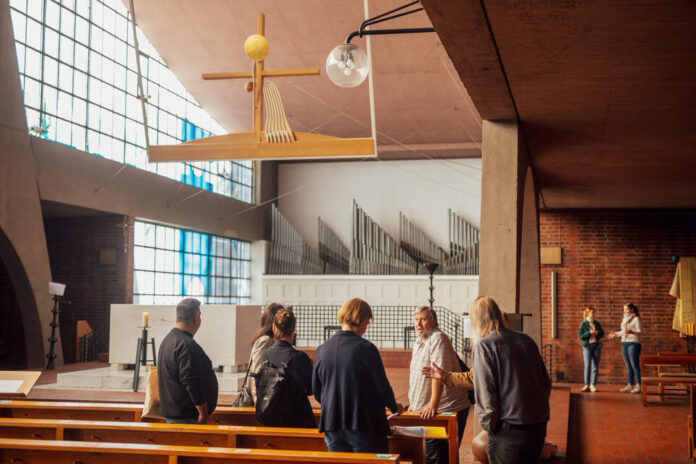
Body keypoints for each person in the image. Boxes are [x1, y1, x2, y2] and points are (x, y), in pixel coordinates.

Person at [312, 298, 402, 453]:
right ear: (359, 319)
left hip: (332, 423)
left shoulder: (323, 349)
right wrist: (394, 406)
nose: (367, 327)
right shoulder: (366, 349)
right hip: (362, 422)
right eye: (367, 322)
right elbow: (381, 386)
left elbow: (317, 390)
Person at [471, 296, 550, 464]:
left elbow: (486, 396)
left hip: (509, 431)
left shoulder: (484, 346)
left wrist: (491, 429)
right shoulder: (526, 339)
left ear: (476, 320)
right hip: (537, 426)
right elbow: (545, 382)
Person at [408, 306, 470, 464]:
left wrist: (433, 405)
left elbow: (438, 374)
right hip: (423, 410)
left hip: (443, 409)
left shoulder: (438, 338)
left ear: (434, 321)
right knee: (430, 456)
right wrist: (413, 405)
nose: (418, 323)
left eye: (423, 319)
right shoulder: (419, 341)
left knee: (437, 458)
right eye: (416, 319)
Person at [158, 298, 218, 424]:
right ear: (196, 318)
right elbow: (191, 381)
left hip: (175, 413)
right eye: (200, 315)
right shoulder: (186, 345)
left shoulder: (168, 340)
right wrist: (203, 412)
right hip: (186, 417)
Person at [256, 308, 315, 427]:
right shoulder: (300, 358)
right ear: (294, 330)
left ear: (274, 328)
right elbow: (310, 389)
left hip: (269, 418)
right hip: (296, 421)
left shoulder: (265, 355)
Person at [245, 303, 285, 403]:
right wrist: (258, 402)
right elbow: (256, 373)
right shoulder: (265, 341)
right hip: (258, 402)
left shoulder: (273, 340)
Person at [607, 302, 643, 393]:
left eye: (626, 309)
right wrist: (615, 334)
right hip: (624, 343)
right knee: (628, 365)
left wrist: (632, 332)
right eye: (624, 309)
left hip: (633, 343)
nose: (624, 311)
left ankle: (638, 385)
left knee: (635, 365)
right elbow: (624, 332)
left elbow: (639, 332)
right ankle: (630, 385)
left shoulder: (636, 319)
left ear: (632, 309)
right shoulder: (624, 319)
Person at [578, 306, 604, 392]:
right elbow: (581, 336)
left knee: (595, 366)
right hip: (587, 347)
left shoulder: (597, 323)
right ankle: (586, 385)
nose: (594, 314)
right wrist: (589, 333)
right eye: (592, 313)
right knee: (587, 365)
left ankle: (593, 385)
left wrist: (598, 333)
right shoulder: (583, 324)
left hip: (596, 346)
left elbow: (602, 334)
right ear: (588, 314)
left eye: (594, 313)